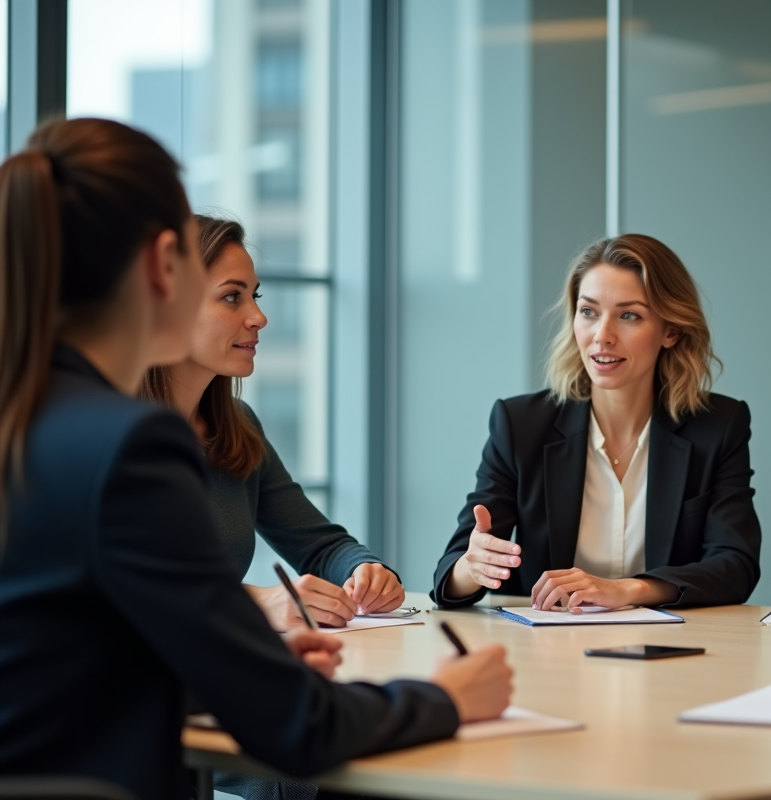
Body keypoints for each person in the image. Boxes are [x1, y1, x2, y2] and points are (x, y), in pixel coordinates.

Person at [0, 118, 512, 800]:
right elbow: (297, 727)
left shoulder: (31, 419)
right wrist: (446, 698)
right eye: (227, 292)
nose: (256, 317)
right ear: (163, 263)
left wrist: (221, 671)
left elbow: (53, 668)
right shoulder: (129, 446)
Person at [432, 234, 761, 610]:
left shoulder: (718, 427)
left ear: (670, 331)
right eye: (588, 312)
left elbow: (736, 566)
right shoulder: (520, 425)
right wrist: (472, 567)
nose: (602, 336)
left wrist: (630, 590)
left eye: (629, 316)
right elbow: (449, 578)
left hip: (669, 651)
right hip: (548, 649)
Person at [140, 215, 402, 631]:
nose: (259, 317)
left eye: (255, 296)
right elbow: (118, 581)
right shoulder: (103, 434)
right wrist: (256, 602)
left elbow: (320, 546)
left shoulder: (237, 428)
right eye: (232, 298)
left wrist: (364, 572)